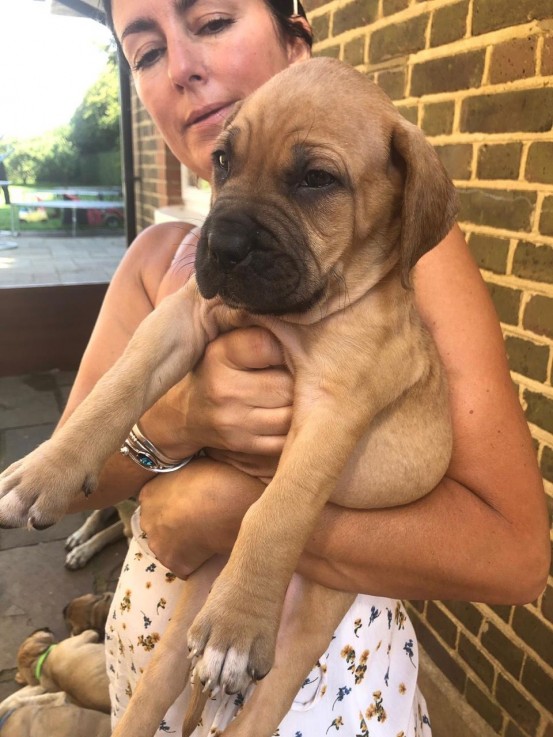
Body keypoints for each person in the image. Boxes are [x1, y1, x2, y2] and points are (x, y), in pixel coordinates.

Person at [60, 1, 549, 735]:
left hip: (326, 696)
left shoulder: (398, 257)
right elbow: (64, 483)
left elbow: (514, 558)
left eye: (213, 21)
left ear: (297, 42)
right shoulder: (153, 258)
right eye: (147, 52)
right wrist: (171, 425)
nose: (184, 66)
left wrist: (219, 508)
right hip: (149, 652)